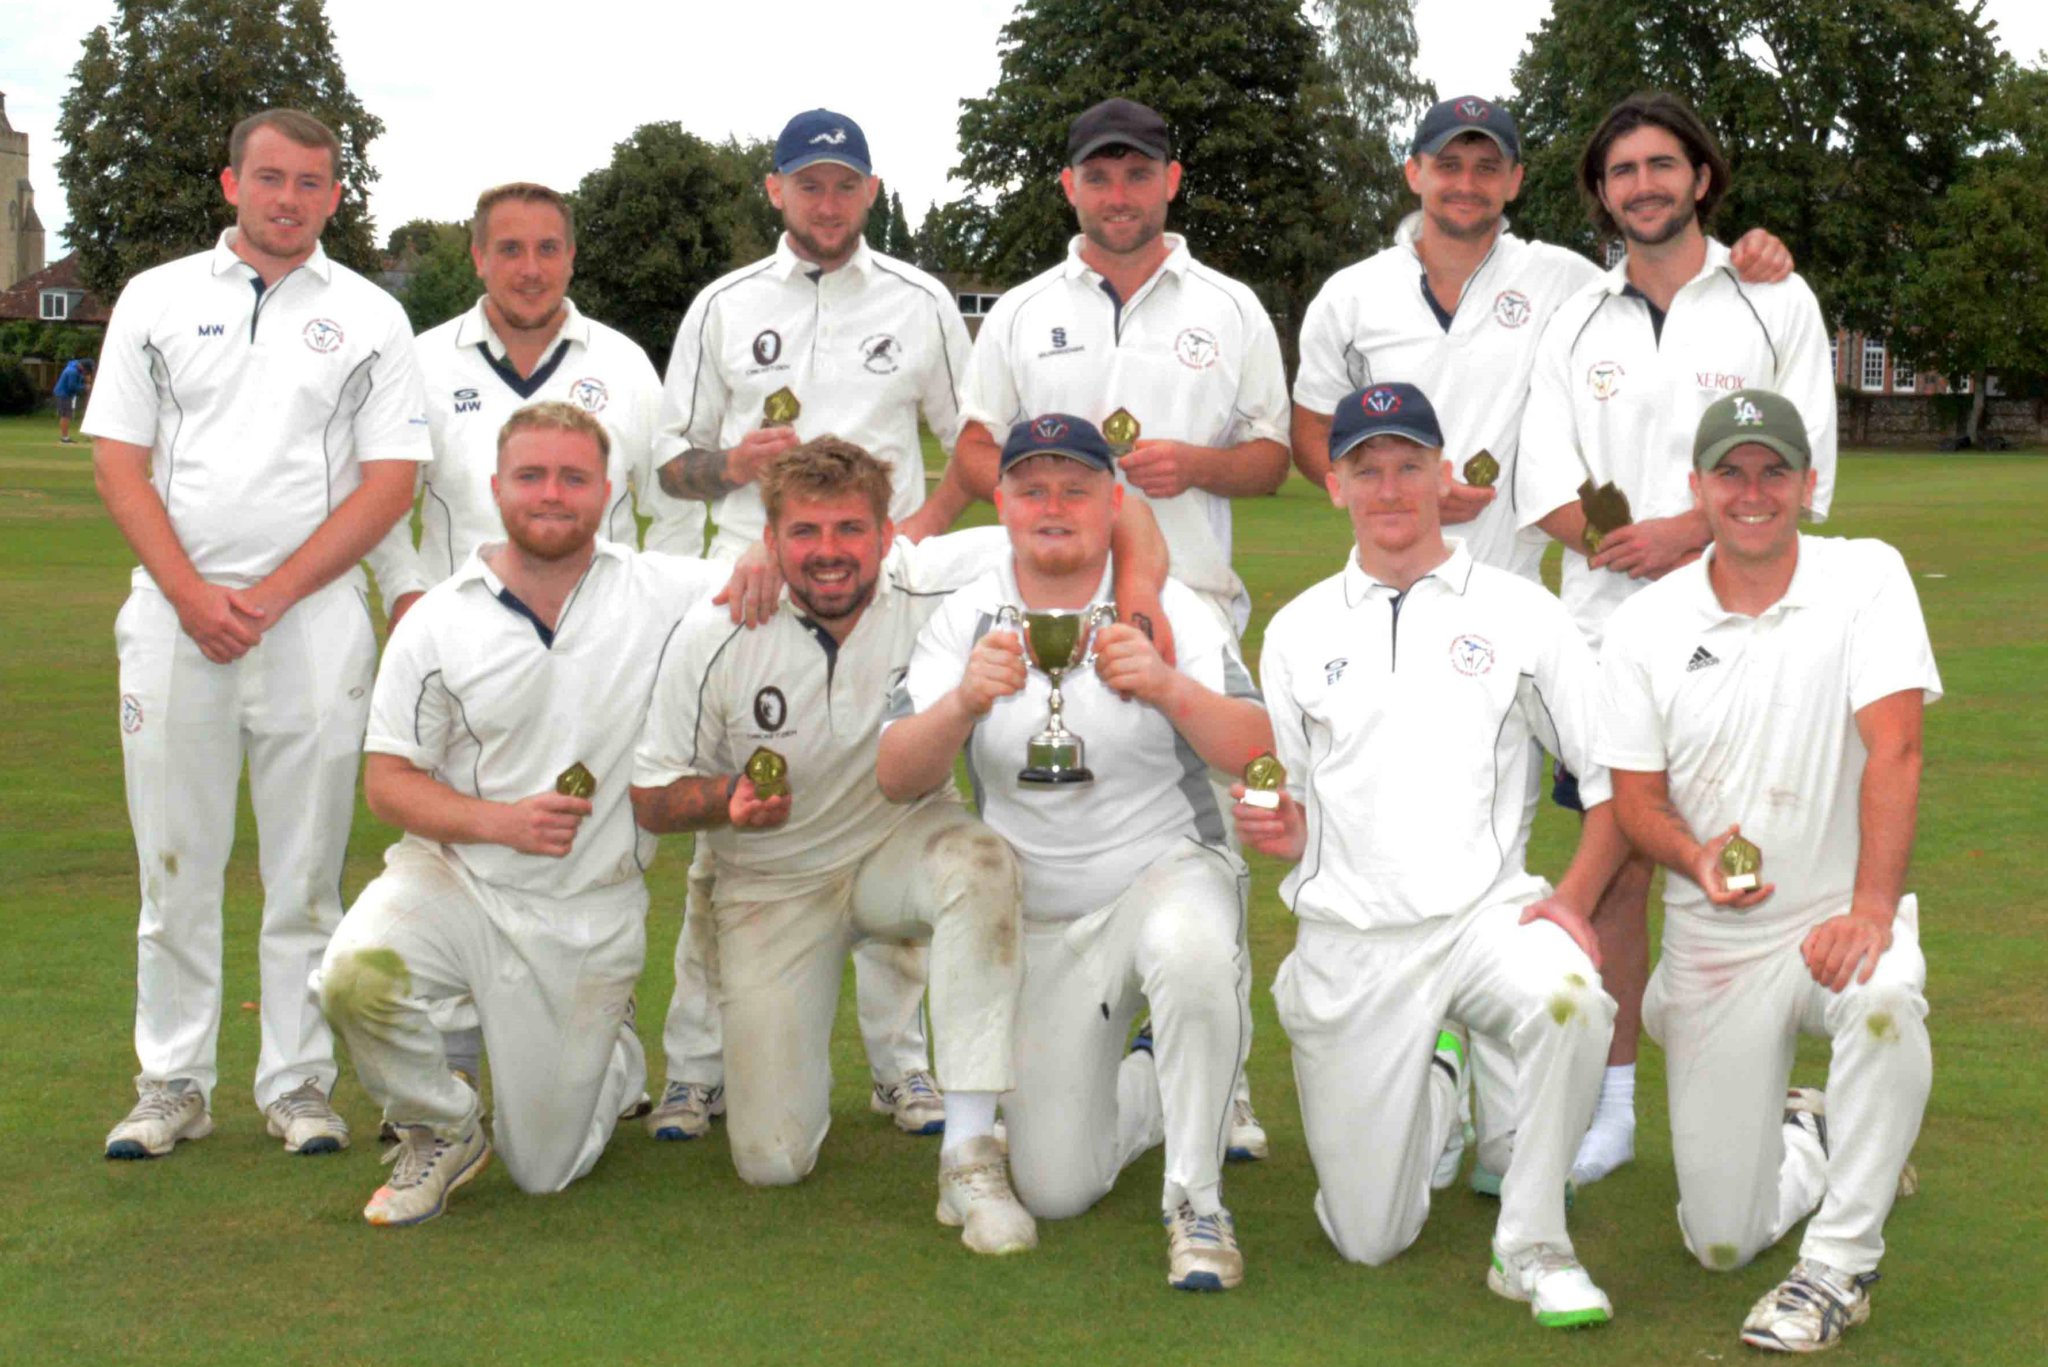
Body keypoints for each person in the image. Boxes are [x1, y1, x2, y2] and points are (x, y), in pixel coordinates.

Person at [635, 437, 1136, 1254]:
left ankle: (970, 1152)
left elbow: (1117, 518)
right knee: (772, 1161)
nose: (828, 552)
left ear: (886, 534)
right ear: (769, 539)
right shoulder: (715, 629)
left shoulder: (936, 575)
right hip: (775, 881)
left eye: (848, 529)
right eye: (803, 533)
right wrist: (725, 798)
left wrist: (1141, 599)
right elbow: (650, 796)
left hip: (902, 838)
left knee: (982, 863)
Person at [318, 402, 772, 1225]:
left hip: (587, 909)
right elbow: (386, 782)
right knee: (352, 977)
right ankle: (442, 1124)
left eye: (574, 477)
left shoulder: (664, 590)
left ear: (610, 490)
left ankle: (612, 1053)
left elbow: (770, 566)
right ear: (495, 486)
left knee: (543, 1172)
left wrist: (761, 560)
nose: (551, 494)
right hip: (455, 876)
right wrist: (501, 822)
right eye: (531, 475)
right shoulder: (438, 620)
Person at [945, 97, 1291, 1159]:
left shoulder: (1229, 306)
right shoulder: (1018, 311)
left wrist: (1196, 466)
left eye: (1137, 173)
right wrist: (1026, 495)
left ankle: (1214, 1080)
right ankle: (1067, 1055)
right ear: (1069, 188)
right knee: (1039, 824)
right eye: (1099, 175)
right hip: (1048, 613)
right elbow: (970, 444)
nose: (1119, 193)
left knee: (1201, 847)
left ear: (1169, 181)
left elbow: (1271, 457)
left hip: (1187, 615)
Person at [1240, 382, 1623, 1328]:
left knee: (1571, 995)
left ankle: (1533, 1243)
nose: (1391, 487)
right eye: (1367, 468)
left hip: (1484, 917)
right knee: (1368, 1237)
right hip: (1354, 939)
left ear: (1445, 476)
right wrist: (1280, 830)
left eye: (1410, 464)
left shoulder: (1521, 611)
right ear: (1335, 487)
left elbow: (1614, 779)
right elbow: (1285, 798)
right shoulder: (1295, 632)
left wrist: (1573, 900)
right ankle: (1445, 1071)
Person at [85, 109, 430, 1161]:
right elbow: (119, 461)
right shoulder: (156, 298)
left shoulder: (371, 315)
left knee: (306, 874)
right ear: (230, 184)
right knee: (175, 868)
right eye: (270, 178)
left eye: (311, 182)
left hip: (313, 625)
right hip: (173, 621)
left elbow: (388, 484)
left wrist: (271, 595)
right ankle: (172, 1082)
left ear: (334, 195)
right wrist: (192, 594)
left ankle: (296, 1083)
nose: (289, 198)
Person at [1513, 90, 1838, 1184]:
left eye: (1661, 165)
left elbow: (1801, 469)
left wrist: (1687, 530)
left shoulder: (1770, 297)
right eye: (1620, 172)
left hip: (1750, 628)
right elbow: (1544, 477)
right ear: (1600, 195)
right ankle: (1610, 1105)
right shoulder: (1573, 318)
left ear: (1700, 176)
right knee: (1614, 872)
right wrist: (1628, 543)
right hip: (1604, 641)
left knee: (1752, 853)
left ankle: (1769, 1091)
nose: (1640, 185)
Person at [877, 414, 1270, 1292]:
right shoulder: (963, 615)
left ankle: (1197, 1201)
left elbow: (1257, 746)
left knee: (1192, 948)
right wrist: (960, 706)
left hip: (1163, 871)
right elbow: (898, 775)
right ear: (1004, 503)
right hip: (1041, 917)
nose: (1053, 505)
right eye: (1032, 487)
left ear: (1112, 502)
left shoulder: (1171, 608)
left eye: (1076, 487)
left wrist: (1168, 686)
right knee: (1057, 1186)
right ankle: (1157, 1077)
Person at [644, 109, 976, 1141]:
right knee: (734, 836)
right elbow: (667, 459)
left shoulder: (921, 300)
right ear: (774, 191)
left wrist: (905, 543)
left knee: (900, 797)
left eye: (844, 184)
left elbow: (968, 446)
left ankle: (902, 1067)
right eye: (807, 183)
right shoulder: (721, 304)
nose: (825, 202)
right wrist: (735, 467)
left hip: (882, 585)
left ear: (868, 194)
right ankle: (696, 1067)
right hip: (751, 590)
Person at [1596, 388, 1936, 1353]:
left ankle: (1839, 1263)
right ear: (1697, 488)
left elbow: (1896, 749)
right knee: (1718, 1238)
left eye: (1773, 471)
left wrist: (1872, 910)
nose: (1754, 492)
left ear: (1808, 482)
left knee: (1884, 999)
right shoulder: (1646, 625)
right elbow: (1635, 802)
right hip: (1717, 937)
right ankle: (1817, 1137)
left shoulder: (1866, 576)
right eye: (1732, 473)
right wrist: (1694, 855)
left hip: (1838, 913)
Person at [363, 180, 694, 1093]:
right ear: (476, 257)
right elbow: (387, 500)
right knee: (462, 838)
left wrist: (656, 629)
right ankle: (457, 1034)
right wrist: (407, 598)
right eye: (509, 248)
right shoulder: (424, 362)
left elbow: (665, 510)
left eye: (548, 248)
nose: (530, 267)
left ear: (571, 258)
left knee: (591, 836)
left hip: (600, 648)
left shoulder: (623, 361)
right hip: (461, 648)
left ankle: (603, 1007)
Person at [54, 357, 93, 443]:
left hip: (66, 394)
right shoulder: (73, 372)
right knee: (65, 415)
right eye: (86, 371)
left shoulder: (75, 366)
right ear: (83, 367)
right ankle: (64, 438)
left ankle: (65, 437)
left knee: (67, 415)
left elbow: (80, 378)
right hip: (63, 394)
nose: (86, 373)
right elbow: (72, 387)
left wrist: (85, 379)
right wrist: (85, 387)